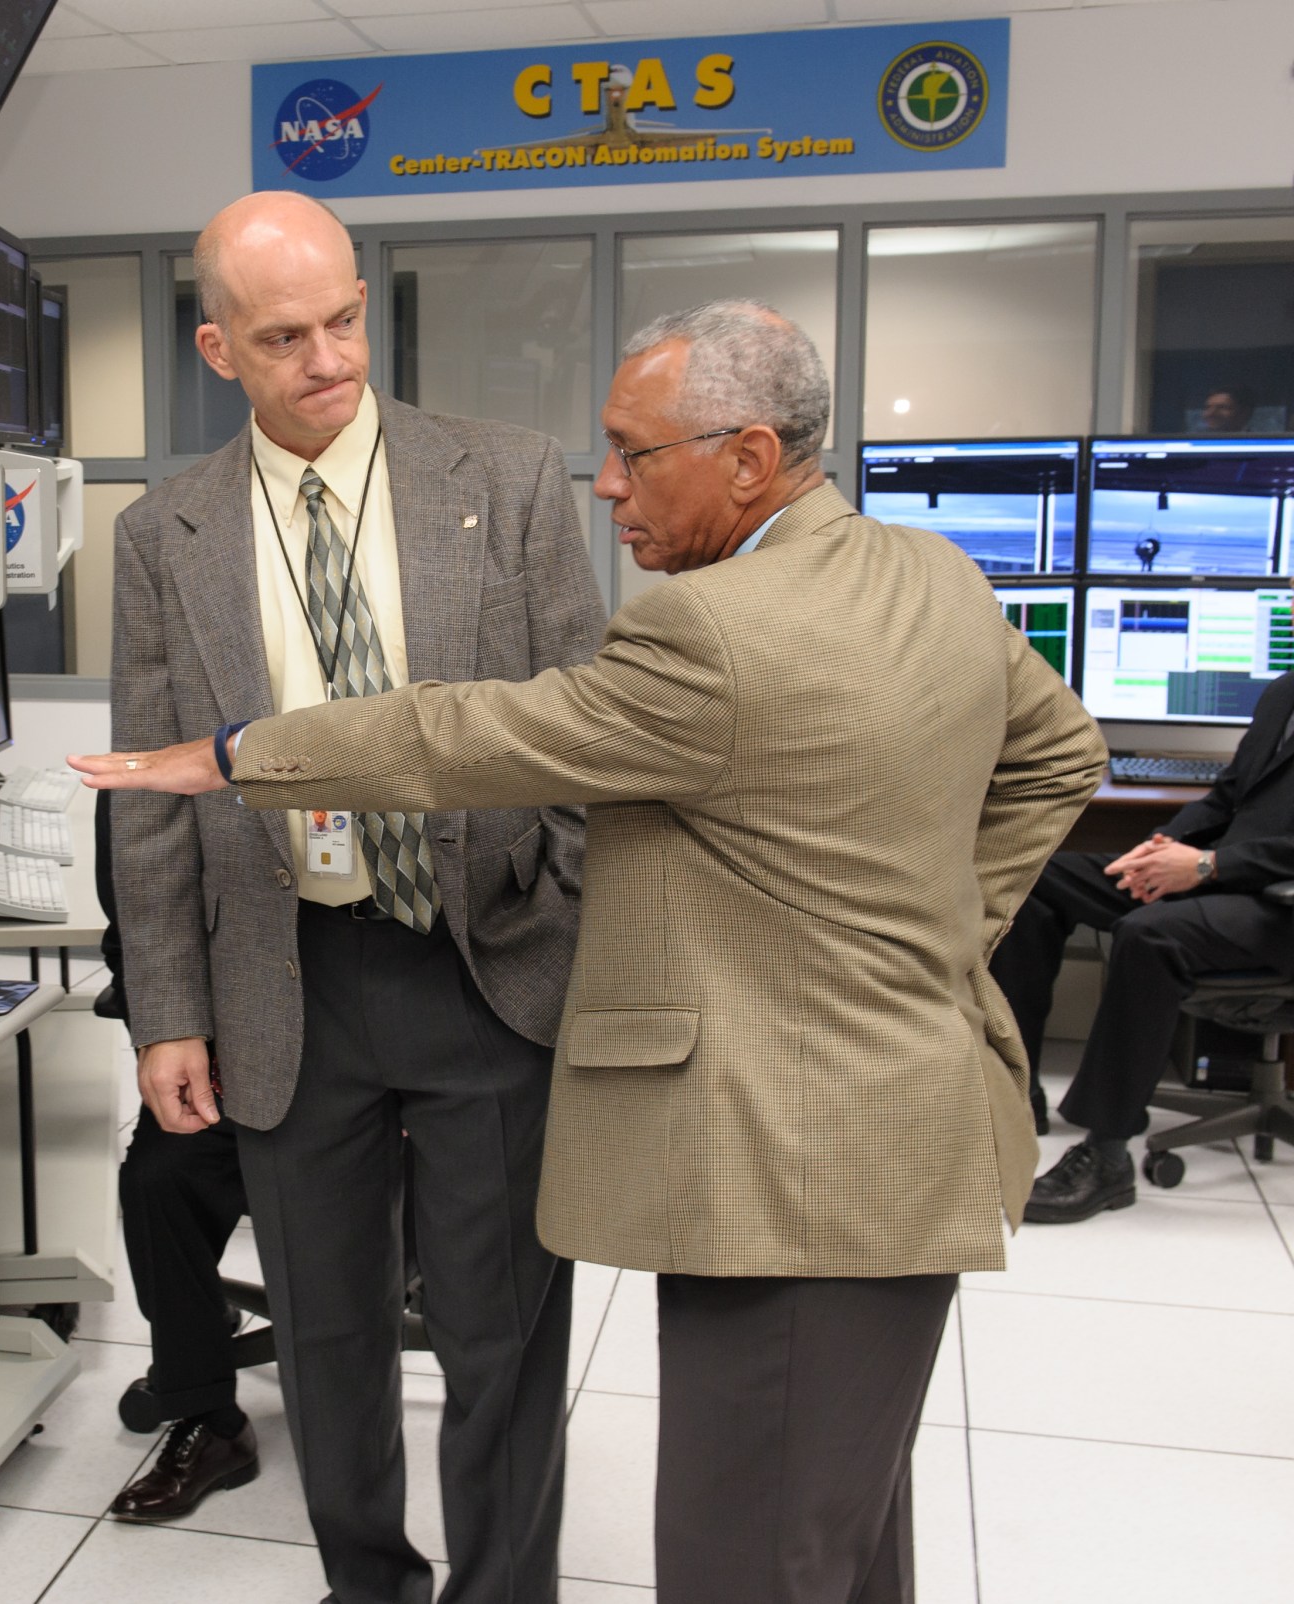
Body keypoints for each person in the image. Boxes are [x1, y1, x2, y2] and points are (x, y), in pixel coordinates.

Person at [74, 300, 1109, 1604]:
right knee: (842, 1539)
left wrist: (233, 755)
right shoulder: (931, 571)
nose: (606, 483)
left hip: (787, 1172)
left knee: (749, 1558)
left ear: (745, 459)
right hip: (908, 1134)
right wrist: (940, 940)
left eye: (635, 451)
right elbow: (1066, 753)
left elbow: (472, 736)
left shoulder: (711, 631)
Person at [105, 190, 604, 1604]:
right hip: (289, 983)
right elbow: (153, 795)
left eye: (342, 320)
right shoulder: (164, 536)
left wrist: (560, 917)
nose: (327, 359)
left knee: (501, 1334)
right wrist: (168, 1013)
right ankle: (366, 1586)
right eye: (283, 337)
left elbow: (585, 725)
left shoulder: (504, 479)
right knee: (328, 1340)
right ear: (219, 350)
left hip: (484, 964)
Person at [991, 670, 1294, 1222]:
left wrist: (1208, 866)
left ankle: (1107, 1155)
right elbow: (1228, 797)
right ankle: (1017, 1091)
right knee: (1036, 883)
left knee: (1150, 935)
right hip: (1223, 877)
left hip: (1279, 908)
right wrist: (1163, 848)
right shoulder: (1284, 691)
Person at [91, 789, 259, 1521]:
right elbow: (135, 922)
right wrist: (161, 1033)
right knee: (158, 1182)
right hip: (229, 1056)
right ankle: (210, 1418)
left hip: (378, 1056)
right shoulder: (159, 754)